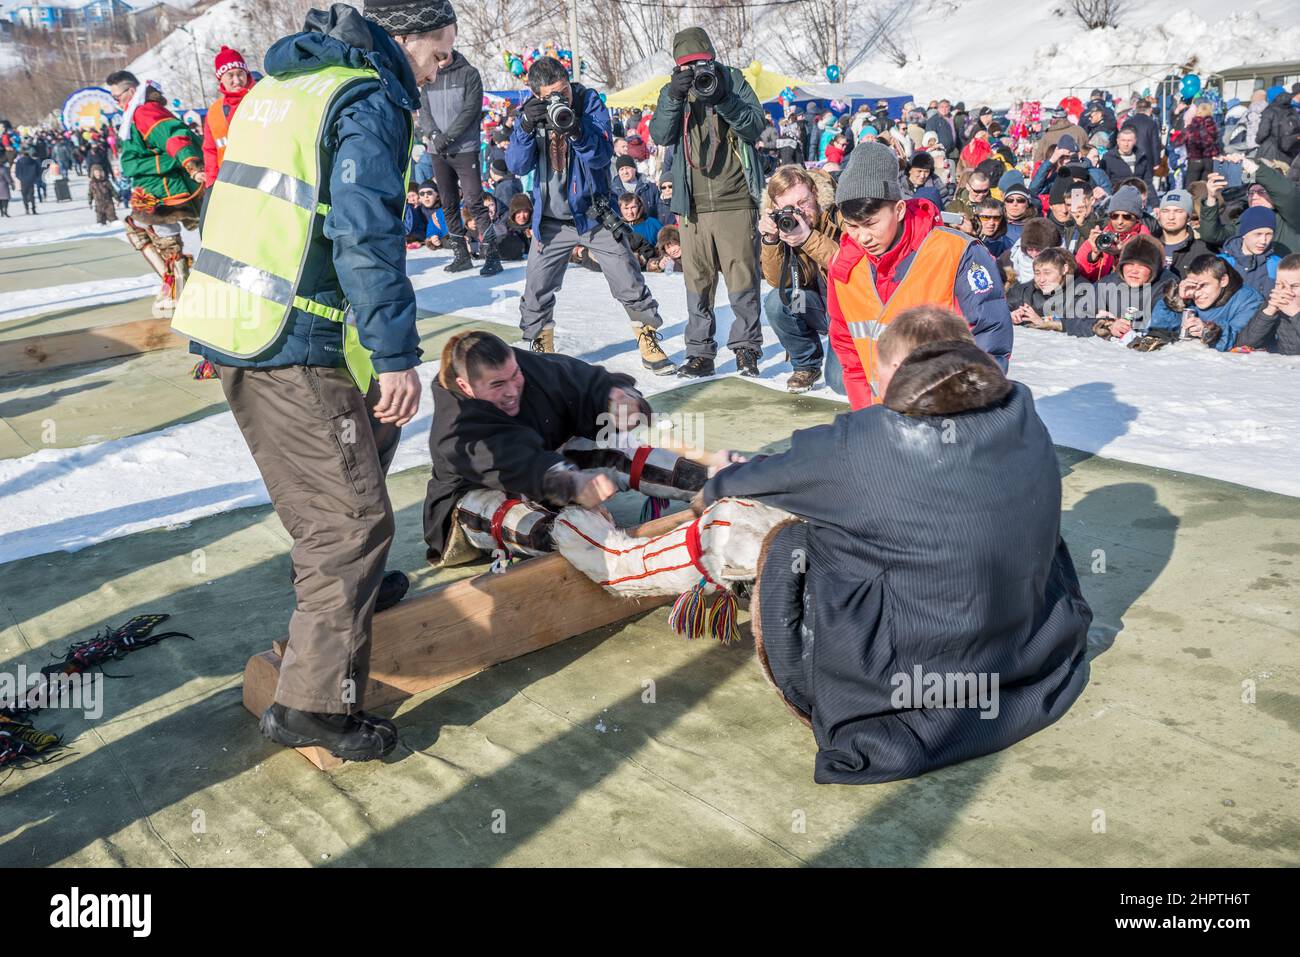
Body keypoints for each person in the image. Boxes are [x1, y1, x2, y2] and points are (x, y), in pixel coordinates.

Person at [169, 0, 445, 762]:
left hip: (241, 323)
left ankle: (338, 612)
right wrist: (395, 355)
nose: (443, 63)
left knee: (339, 488)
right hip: (291, 336)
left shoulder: (286, 86)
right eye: (439, 48)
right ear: (403, 37)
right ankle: (316, 704)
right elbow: (364, 233)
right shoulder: (365, 99)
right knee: (350, 520)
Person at [702, 305, 1090, 784]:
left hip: (911, 674)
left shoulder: (861, 441)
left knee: (793, 542)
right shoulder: (1021, 410)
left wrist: (717, 479)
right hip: (1027, 649)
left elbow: (742, 485)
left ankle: (841, 687)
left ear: (891, 371)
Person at [422, 331, 656, 564]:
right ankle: (609, 552)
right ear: (465, 386)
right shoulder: (456, 426)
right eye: (498, 384)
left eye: (515, 376)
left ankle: (693, 489)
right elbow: (517, 463)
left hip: (548, 469)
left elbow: (585, 381)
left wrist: (619, 399)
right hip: (479, 496)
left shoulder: (521, 366)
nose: (512, 391)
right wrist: (570, 484)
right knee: (559, 533)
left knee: (628, 453)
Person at [506, 57, 674, 374]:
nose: (561, 99)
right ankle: (541, 348)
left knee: (627, 275)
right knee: (536, 288)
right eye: (551, 95)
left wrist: (576, 129)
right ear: (537, 95)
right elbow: (517, 166)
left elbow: (601, 156)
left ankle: (647, 337)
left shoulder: (588, 102)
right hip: (551, 221)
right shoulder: (529, 113)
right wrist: (526, 129)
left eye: (564, 90)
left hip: (592, 214)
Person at [826, 142, 1013, 410]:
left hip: (947, 414)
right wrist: (865, 417)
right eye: (852, 226)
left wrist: (964, 410)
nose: (862, 237)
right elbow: (848, 351)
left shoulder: (957, 252)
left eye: (870, 224)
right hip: (881, 420)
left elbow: (990, 337)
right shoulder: (845, 266)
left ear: (899, 210)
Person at [649, 27, 766, 379]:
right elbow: (660, 135)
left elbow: (755, 126)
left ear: (712, 58)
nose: (696, 70)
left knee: (743, 281)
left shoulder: (732, 80)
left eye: (700, 63)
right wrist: (674, 95)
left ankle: (746, 350)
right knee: (697, 284)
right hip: (692, 206)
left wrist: (723, 98)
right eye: (686, 66)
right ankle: (700, 353)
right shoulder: (674, 92)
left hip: (735, 200)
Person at [106, 70, 205, 318]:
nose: (117, 103)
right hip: (149, 188)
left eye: (117, 97)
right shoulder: (134, 113)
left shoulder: (145, 111)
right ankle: (174, 284)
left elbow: (175, 136)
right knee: (139, 229)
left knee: (168, 240)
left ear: (130, 92)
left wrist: (190, 164)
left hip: (165, 188)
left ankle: (182, 291)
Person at [417, 18, 500, 276]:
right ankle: (460, 254)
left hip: (464, 148)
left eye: (441, 56)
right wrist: (433, 134)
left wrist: (446, 138)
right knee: (449, 202)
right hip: (437, 150)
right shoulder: (428, 77)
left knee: (475, 200)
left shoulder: (469, 74)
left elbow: (470, 112)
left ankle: (491, 254)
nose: (438, 62)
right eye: (435, 58)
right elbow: (425, 111)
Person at [759, 165, 845, 394]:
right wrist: (770, 240)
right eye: (789, 207)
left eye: (803, 202)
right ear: (776, 208)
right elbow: (777, 281)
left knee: (840, 384)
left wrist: (808, 238)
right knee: (777, 302)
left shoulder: (839, 214)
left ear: (815, 193)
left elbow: (848, 263)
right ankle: (806, 364)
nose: (799, 212)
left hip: (848, 311)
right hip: (817, 306)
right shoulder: (785, 226)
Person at [1149, 255, 1262, 351]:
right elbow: (1159, 327)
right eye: (1194, 286)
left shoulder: (1249, 300)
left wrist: (1208, 331)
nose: (1197, 294)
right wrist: (1176, 300)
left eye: (1204, 285)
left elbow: (1240, 341)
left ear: (1223, 281)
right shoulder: (1190, 295)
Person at [201, 46, 256, 185]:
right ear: (221, 79)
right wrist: (211, 185)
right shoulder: (214, 112)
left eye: (240, 74)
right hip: (229, 183)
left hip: (262, 179)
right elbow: (210, 151)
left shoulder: (259, 100)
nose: (237, 80)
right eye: (230, 75)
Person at [1075, 184, 1150, 280]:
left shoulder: (1146, 241)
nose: (1120, 222)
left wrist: (1123, 253)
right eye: (1114, 216)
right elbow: (1077, 273)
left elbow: (1146, 273)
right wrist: (1093, 255)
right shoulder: (1100, 237)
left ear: (1137, 218)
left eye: (1126, 216)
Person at [1239, 253, 1300, 354]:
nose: (1286, 291)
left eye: (1294, 286)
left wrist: (1295, 313)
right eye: (1279, 284)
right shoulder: (1274, 304)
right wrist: (1268, 312)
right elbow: (1244, 345)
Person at [1218, 206, 1284, 297]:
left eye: (1269, 234)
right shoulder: (1221, 262)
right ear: (1244, 234)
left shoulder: (1278, 265)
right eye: (1258, 234)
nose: (1263, 241)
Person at [1154, 188, 1209, 277]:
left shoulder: (1201, 249)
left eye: (1178, 211)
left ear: (1188, 217)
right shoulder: (1146, 244)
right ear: (1159, 215)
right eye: (1165, 211)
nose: (1171, 217)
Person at [1045, 177, 1100, 253]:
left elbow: (1099, 244)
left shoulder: (1101, 220)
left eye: (1078, 203)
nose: (1072, 208)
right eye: (1069, 204)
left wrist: (1082, 224)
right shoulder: (1070, 225)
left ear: (1092, 201)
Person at [1101, 126, 1154, 201]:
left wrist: (1155, 204)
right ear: (1118, 141)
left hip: (1138, 199)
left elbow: (1148, 182)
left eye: (1129, 140)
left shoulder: (1142, 157)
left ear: (1135, 141)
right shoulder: (1108, 158)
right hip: (1118, 199)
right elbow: (1105, 183)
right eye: (1123, 140)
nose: (1126, 144)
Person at [1255, 88, 1300, 167]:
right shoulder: (1293, 110)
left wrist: (1258, 140)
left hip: (1271, 152)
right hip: (1290, 151)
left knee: (1263, 174)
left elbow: (1262, 133)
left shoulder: (1270, 111)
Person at [492, 193, 533, 260]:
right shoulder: (505, 229)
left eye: (525, 211)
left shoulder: (537, 228)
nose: (522, 216)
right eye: (518, 212)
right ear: (513, 213)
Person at [13, 147, 40, 214]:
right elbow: (38, 171)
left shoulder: (19, 162)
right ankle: (33, 209)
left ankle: (27, 209)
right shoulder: (33, 161)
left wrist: (21, 178)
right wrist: (34, 178)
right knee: (32, 195)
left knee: (24, 196)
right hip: (31, 180)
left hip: (23, 181)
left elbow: (17, 172)